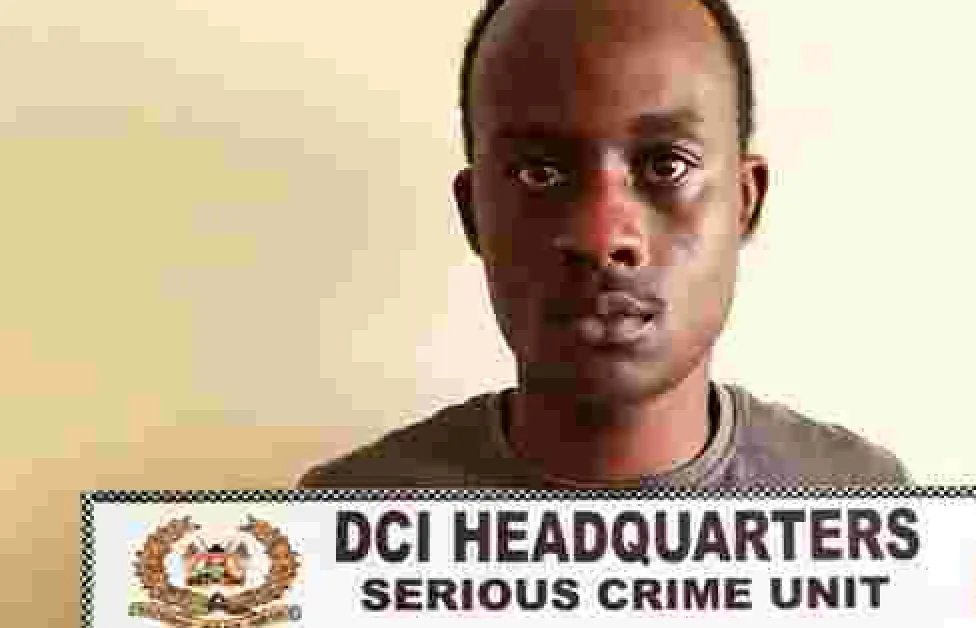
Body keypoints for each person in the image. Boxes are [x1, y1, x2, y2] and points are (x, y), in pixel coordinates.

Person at [298, 0, 910, 489]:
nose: (603, 236)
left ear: (745, 202)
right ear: (473, 213)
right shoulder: (341, 527)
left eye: (667, 166)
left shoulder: (867, 512)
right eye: (540, 173)